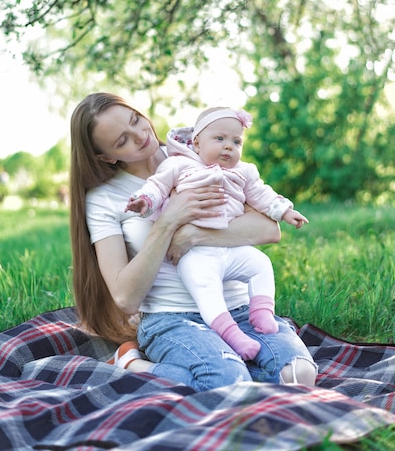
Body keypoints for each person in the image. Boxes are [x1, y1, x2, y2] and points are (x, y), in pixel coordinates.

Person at [70, 93, 317, 391]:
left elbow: (267, 229)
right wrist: (168, 222)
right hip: (172, 317)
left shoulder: (199, 150)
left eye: (136, 120)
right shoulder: (105, 199)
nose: (141, 135)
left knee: (298, 375)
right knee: (228, 383)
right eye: (122, 141)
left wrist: (194, 235)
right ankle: (135, 364)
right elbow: (126, 298)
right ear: (106, 156)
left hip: (238, 306)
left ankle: (235, 363)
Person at [125, 107, 308, 361]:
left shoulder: (244, 171)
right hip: (195, 254)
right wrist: (144, 201)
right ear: (197, 142)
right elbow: (157, 185)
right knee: (206, 288)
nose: (228, 147)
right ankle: (232, 334)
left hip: (230, 247)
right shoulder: (178, 164)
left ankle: (262, 311)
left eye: (236, 142)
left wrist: (286, 211)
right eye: (219, 139)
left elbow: (262, 194)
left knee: (261, 264)